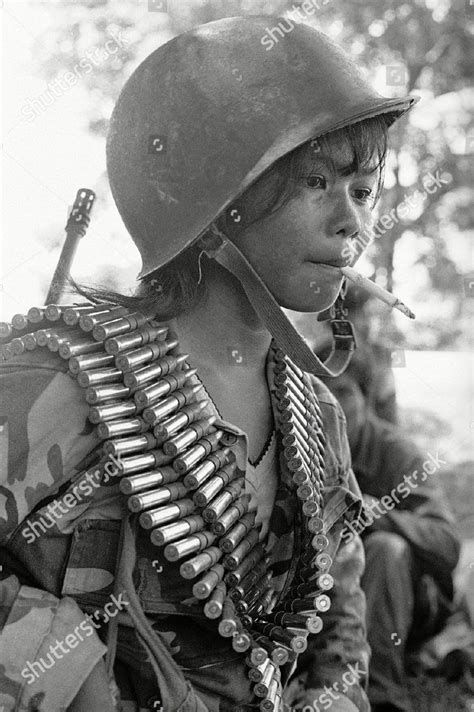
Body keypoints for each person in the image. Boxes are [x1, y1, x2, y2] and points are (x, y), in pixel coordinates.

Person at [0, 16, 418, 712]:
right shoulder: (60, 384)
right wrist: (63, 669)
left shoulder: (317, 418)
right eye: (316, 181)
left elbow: (335, 617)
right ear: (215, 200)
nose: (352, 221)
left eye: (363, 189)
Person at [322, 369, 461, 712]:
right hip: (333, 607)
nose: (333, 406)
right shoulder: (313, 447)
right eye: (324, 393)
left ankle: (383, 697)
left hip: (413, 607)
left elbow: (446, 544)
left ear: (364, 400)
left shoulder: (396, 452)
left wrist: (377, 515)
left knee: (386, 549)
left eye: (343, 393)